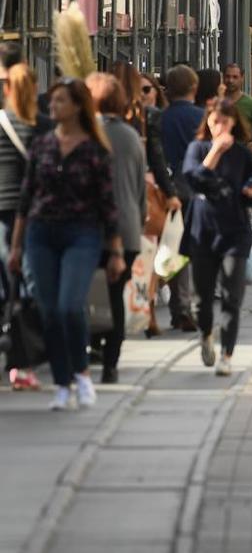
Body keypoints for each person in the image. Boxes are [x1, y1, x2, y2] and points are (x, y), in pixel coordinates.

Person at [10, 79, 123, 410]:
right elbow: (26, 198)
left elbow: (108, 205)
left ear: (77, 106)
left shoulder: (95, 150)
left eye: (59, 100)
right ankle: (62, 384)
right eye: (52, 100)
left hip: (81, 234)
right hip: (40, 233)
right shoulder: (42, 144)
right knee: (48, 310)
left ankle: (82, 374)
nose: (52, 106)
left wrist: (116, 251)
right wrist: (16, 246)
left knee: (69, 306)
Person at [182, 98, 252, 376]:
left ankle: (227, 355)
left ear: (234, 123)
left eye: (225, 122)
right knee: (201, 300)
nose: (220, 128)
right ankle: (206, 334)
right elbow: (193, 179)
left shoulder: (242, 153)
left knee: (231, 296)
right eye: (215, 122)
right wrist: (215, 150)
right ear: (208, 121)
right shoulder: (198, 148)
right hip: (202, 232)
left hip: (234, 232)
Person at [83, 73, 147, 386]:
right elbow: (140, 188)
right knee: (115, 295)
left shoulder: (88, 134)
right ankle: (111, 363)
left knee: (87, 294)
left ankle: (90, 349)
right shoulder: (132, 136)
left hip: (93, 229)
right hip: (129, 228)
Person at [1, 64, 39, 390]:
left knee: (7, 287)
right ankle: (23, 362)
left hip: (4, 213)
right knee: (23, 288)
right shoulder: (42, 127)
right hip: (30, 214)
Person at [160, 65, 205, 330]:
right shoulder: (201, 117)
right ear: (193, 87)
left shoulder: (160, 118)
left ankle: (179, 305)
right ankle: (192, 304)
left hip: (169, 190)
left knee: (173, 247)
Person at [222, 63, 252, 154]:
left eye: (235, 77)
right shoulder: (216, 103)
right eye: (227, 76)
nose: (230, 80)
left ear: (242, 78)